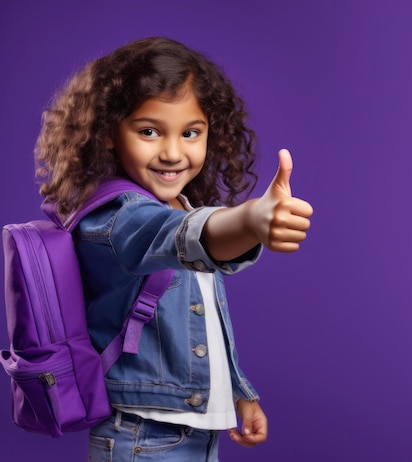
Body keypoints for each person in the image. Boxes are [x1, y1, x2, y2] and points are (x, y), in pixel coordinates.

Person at [34, 36, 313, 461]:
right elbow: (184, 234)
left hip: (193, 431)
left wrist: (238, 393)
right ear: (109, 133)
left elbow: (201, 322)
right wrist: (251, 219)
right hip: (142, 437)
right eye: (149, 131)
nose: (172, 152)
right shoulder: (116, 218)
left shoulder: (177, 207)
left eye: (190, 132)